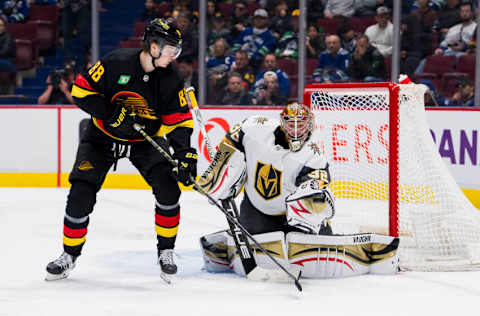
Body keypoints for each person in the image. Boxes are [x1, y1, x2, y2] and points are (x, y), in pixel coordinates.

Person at [45, 18, 197, 281]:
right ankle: (69, 255)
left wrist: (185, 155)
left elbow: (179, 121)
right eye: (171, 49)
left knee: (169, 189)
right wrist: (110, 113)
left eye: (176, 50)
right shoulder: (116, 62)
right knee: (80, 194)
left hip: (144, 141)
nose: (174, 56)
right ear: (153, 46)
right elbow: (81, 91)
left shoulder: (171, 79)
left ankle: (166, 251)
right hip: (101, 138)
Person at [197, 103, 400, 278]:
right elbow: (235, 135)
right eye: (291, 124)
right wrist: (216, 171)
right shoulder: (255, 128)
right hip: (257, 208)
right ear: (281, 122)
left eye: (301, 124)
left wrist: (309, 209)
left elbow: (315, 187)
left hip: (292, 213)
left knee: (315, 230)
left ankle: (318, 237)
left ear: (310, 125)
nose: (295, 130)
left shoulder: (313, 156)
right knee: (257, 243)